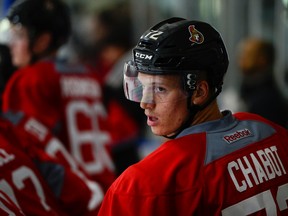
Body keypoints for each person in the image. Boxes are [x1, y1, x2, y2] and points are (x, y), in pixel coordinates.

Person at [98, 17, 288, 215]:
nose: (145, 102)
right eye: (142, 87)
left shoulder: (142, 184)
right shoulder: (270, 132)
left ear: (199, 92)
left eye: (160, 89)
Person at [2, 0, 116, 191]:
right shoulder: (87, 73)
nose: (11, 44)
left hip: (71, 195)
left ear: (42, 41)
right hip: (105, 187)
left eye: (18, 35)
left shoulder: (31, 79)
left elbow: (28, 149)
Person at [0, 113, 103, 215]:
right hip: (94, 188)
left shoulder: (13, 126)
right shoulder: (13, 126)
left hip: (89, 192)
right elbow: (77, 192)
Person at [237, 37, 288, 128]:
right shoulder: (250, 90)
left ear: (262, 60)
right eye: (241, 54)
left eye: (247, 55)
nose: (241, 59)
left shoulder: (268, 101)